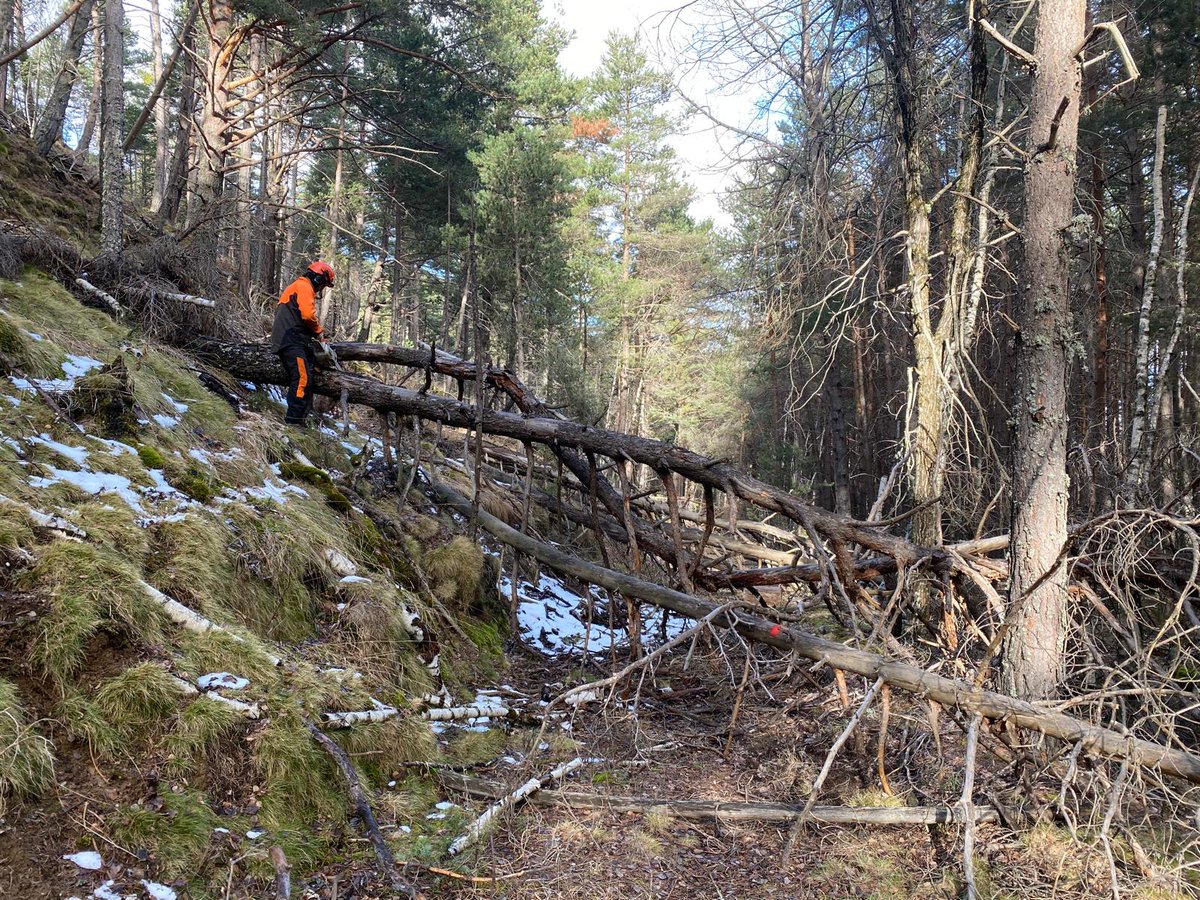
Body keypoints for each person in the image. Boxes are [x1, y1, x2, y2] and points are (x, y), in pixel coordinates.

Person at [271, 261, 334, 425]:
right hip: (290, 340)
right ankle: (293, 422)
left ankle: (301, 418)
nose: (321, 289)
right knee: (301, 379)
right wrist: (319, 331)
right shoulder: (304, 286)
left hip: (295, 339)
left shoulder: (299, 286)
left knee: (310, 373)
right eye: (323, 285)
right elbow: (307, 315)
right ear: (319, 279)